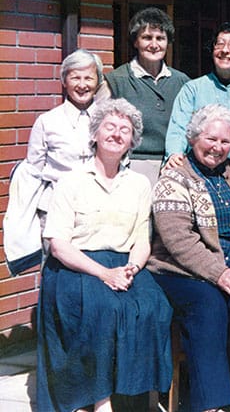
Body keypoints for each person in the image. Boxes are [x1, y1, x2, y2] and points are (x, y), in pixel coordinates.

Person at [37, 98, 172, 412]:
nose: (116, 134)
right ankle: (100, 401)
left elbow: (142, 239)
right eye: (110, 126)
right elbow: (58, 245)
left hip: (124, 264)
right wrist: (104, 274)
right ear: (95, 133)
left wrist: (132, 267)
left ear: (132, 141)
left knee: (154, 306)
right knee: (102, 308)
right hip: (76, 264)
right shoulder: (71, 181)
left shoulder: (139, 184)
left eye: (125, 130)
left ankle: (136, 396)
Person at [149, 104, 230, 412]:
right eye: (211, 139)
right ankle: (210, 404)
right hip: (177, 268)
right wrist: (219, 273)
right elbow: (179, 241)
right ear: (193, 138)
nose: (218, 147)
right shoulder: (174, 177)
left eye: (225, 141)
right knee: (208, 303)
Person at [4, 49, 103, 274]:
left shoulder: (109, 118)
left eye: (88, 78)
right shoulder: (47, 122)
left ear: (98, 81)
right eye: (75, 77)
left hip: (98, 209)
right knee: (56, 274)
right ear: (64, 81)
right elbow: (32, 172)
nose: (82, 85)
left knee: (95, 273)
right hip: (55, 210)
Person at [165, 22, 230, 173]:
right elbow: (178, 130)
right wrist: (174, 154)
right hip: (197, 175)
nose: (225, 50)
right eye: (220, 44)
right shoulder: (192, 89)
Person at [104, 7, 190, 185]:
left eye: (160, 38)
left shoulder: (182, 82)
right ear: (136, 42)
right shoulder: (117, 80)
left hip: (175, 165)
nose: (154, 44)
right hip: (130, 166)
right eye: (147, 37)